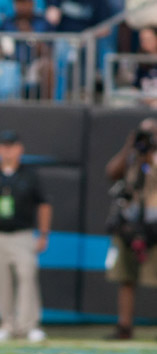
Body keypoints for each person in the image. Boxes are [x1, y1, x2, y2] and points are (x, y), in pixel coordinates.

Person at [0, 130, 52, 343]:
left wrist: (43, 234)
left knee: (27, 277)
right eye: (3, 147)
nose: (7, 151)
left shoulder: (30, 175)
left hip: (22, 235)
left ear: (19, 149)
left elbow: (43, 204)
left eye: (11, 146)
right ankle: (6, 324)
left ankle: (29, 326)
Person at [104, 117, 157, 340]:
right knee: (125, 277)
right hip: (130, 223)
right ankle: (124, 326)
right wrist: (129, 146)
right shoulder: (132, 156)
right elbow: (111, 172)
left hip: (154, 224)